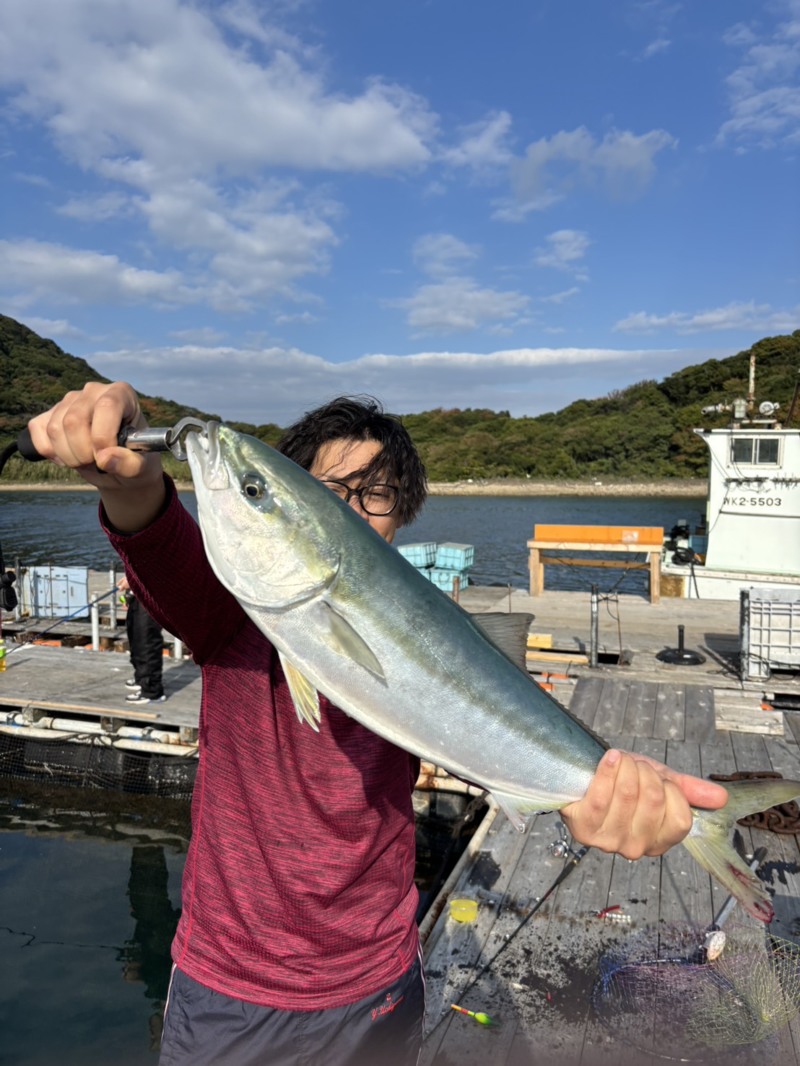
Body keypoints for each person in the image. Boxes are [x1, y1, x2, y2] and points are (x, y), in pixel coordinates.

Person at [27, 382, 728, 1066]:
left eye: (378, 494)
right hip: (233, 984)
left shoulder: (427, 619)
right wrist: (125, 480)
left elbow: (485, 728)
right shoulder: (228, 618)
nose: (356, 508)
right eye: (330, 489)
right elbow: (151, 527)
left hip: (379, 979)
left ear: (401, 515)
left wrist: (596, 792)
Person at [118, 574, 166, 704]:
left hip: (152, 595)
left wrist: (133, 579)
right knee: (136, 638)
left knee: (147, 640)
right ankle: (141, 678)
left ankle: (152, 690)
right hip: (137, 594)